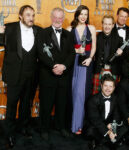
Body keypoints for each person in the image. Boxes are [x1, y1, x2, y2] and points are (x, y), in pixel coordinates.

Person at [0, 5, 41, 147]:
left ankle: (23, 127)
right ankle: (9, 134)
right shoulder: (9, 28)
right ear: (20, 16)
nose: (31, 18)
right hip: (14, 76)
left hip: (31, 75)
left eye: (33, 15)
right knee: (11, 106)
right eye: (28, 15)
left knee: (25, 105)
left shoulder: (38, 30)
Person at [37, 7, 75, 139]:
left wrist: (63, 66)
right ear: (51, 18)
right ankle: (44, 129)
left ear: (63, 19)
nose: (58, 20)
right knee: (46, 104)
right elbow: (41, 53)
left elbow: (72, 53)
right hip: (48, 74)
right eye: (56, 17)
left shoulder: (69, 34)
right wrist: (53, 66)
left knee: (61, 104)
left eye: (60, 18)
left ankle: (60, 127)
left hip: (63, 75)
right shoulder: (43, 33)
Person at [66, 5, 96, 134]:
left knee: (81, 94)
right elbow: (66, 49)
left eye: (86, 14)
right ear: (77, 14)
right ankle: (72, 123)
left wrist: (90, 58)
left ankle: (79, 125)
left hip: (85, 64)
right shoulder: (69, 29)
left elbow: (94, 46)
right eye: (81, 14)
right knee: (72, 93)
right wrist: (76, 50)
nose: (84, 17)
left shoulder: (92, 28)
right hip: (73, 64)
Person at [83, 74, 120, 150]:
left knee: (124, 127)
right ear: (101, 85)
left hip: (107, 123)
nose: (108, 89)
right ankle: (105, 140)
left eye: (110, 86)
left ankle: (103, 140)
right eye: (105, 85)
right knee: (90, 131)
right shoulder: (92, 100)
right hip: (96, 124)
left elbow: (117, 114)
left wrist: (112, 124)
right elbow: (95, 120)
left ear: (114, 88)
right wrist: (108, 132)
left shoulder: (116, 98)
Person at [92, 15, 123, 95]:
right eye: (105, 24)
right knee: (96, 94)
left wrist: (121, 53)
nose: (107, 26)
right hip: (99, 70)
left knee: (112, 95)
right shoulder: (96, 37)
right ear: (102, 24)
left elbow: (125, 57)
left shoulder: (119, 39)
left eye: (109, 24)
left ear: (113, 25)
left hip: (113, 71)